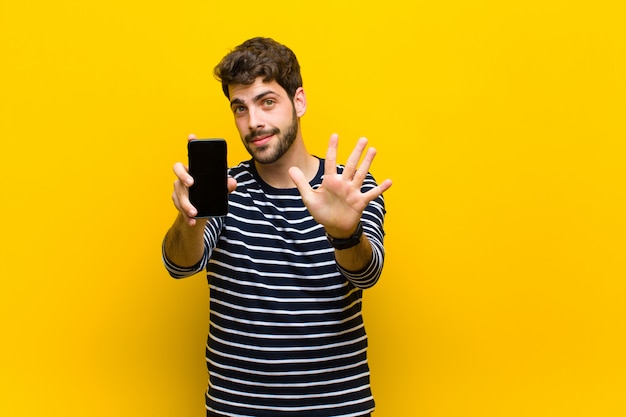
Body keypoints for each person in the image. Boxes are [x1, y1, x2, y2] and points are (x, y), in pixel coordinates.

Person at [162, 37, 392, 417]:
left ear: (298, 102)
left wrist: (344, 233)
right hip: (238, 408)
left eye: (267, 101)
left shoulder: (352, 188)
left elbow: (367, 274)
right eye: (240, 108)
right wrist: (190, 217)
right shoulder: (224, 189)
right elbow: (180, 265)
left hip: (337, 407)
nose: (254, 122)